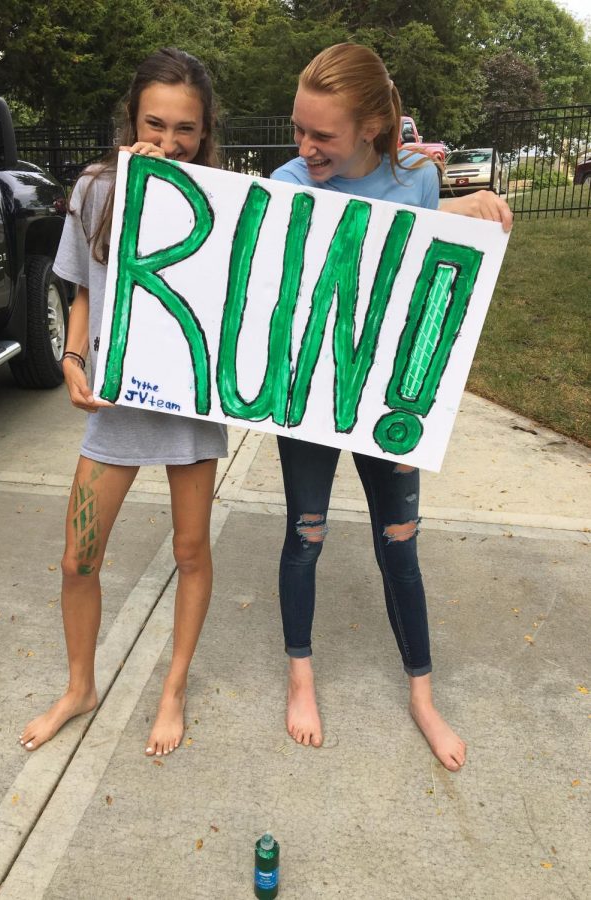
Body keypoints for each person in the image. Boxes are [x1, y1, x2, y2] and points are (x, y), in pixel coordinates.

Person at [271, 43, 513, 771]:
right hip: (308, 395)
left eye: (323, 136)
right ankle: (301, 677)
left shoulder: (415, 177)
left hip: (386, 401)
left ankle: (422, 695)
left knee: (400, 543)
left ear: (373, 128)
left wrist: (456, 204)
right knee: (305, 536)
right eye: (299, 130)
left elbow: (409, 234)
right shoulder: (288, 183)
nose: (306, 148)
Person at [20, 48, 227, 758]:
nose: (170, 142)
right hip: (117, 403)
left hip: (189, 404)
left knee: (191, 550)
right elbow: (83, 291)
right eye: (155, 123)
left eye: (186, 130)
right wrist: (73, 358)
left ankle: (172, 689)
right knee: (78, 559)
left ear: (206, 132)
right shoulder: (96, 190)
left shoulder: (224, 202)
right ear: (131, 119)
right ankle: (80, 686)